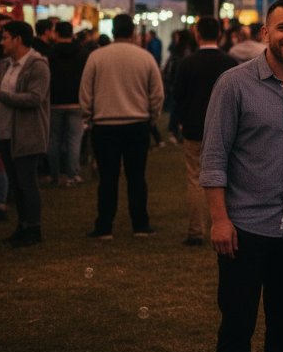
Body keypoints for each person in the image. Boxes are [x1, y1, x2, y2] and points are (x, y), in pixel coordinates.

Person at [200, 0, 283, 352]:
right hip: (244, 229)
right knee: (237, 327)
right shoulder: (233, 84)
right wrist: (220, 220)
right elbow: (213, 157)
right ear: (265, 33)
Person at [80, 14, 163, 239]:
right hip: (137, 123)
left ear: (114, 31)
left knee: (107, 178)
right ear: (132, 31)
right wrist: (151, 117)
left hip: (105, 124)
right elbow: (157, 93)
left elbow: (86, 92)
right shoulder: (145, 57)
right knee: (137, 176)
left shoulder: (97, 57)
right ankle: (140, 224)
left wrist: (88, 116)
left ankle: (104, 226)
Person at [174, 16, 238, 247]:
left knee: (195, 179)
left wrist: (180, 122)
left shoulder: (187, 63)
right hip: (226, 130)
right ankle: (226, 222)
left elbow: (178, 97)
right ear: (219, 35)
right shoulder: (230, 63)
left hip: (194, 128)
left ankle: (195, 230)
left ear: (197, 35)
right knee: (227, 177)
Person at [0, 21, 50, 247]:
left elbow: (35, 98)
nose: (2, 42)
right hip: (6, 133)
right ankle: (22, 226)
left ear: (17, 39)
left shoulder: (37, 65)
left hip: (27, 134)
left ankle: (33, 228)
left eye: (5, 37)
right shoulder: (7, 65)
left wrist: (0, 95)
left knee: (27, 183)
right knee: (16, 184)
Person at [46, 21, 88, 187]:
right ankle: (72, 174)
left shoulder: (50, 53)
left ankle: (54, 175)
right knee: (74, 139)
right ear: (72, 34)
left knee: (54, 139)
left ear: (56, 33)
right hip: (76, 102)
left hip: (55, 101)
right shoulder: (82, 53)